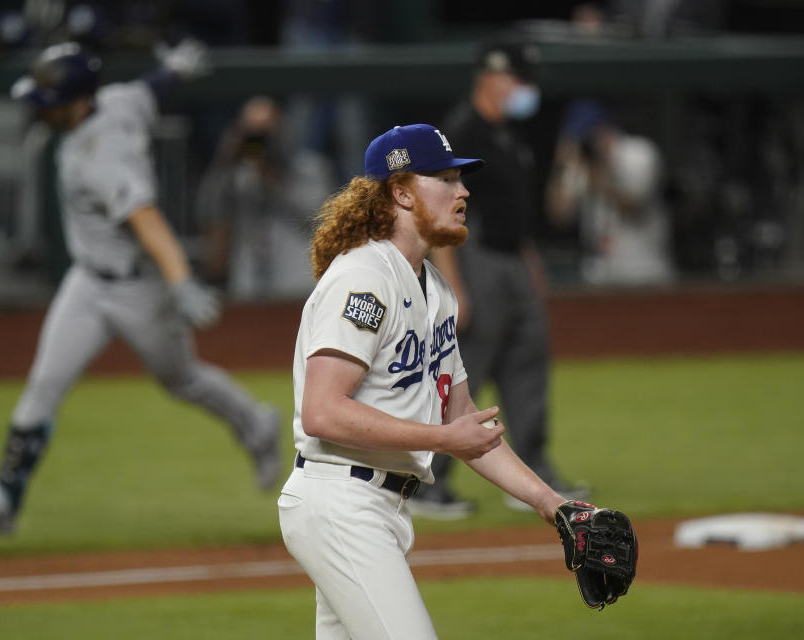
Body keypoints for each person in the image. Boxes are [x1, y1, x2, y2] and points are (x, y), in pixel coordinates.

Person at [0, 41, 281, 535]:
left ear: (78, 101)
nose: (41, 109)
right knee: (44, 386)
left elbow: (146, 220)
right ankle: (3, 500)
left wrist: (182, 283)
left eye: (49, 100)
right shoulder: (118, 99)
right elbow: (148, 89)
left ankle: (256, 424)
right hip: (86, 282)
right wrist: (175, 70)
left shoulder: (104, 155)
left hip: (140, 289)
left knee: (181, 378)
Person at [278, 123, 568, 638]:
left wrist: (553, 505)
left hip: (375, 506)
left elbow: (465, 423)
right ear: (402, 192)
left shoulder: (434, 288)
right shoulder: (365, 276)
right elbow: (322, 411)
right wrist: (441, 440)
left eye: (460, 179)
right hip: (341, 504)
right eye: (445, 178)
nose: (463, 192)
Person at [408, 42, 589, 518]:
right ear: (493, 78)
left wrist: (528, 255)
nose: (525, 90)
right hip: (475, 259)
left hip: (511, 258)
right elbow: (439, 214)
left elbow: (513, 206)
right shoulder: (461, 132)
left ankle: (530, 477)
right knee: (462, 370)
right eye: (518, 79)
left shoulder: (508, 133)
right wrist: (454, 288)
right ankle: (429, 482)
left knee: (529, 358)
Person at [195, 95, 334, 301]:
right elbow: (207, 213)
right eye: (253, 133)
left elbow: (320, 221)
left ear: (281, 129)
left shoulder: (310, 169)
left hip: (299, 283)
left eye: (266, 132)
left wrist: (273, 180)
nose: (261, 141)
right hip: (249, 283)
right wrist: (223, 162)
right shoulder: (236, 175)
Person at [545, 99, 675, 286]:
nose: (587, 144)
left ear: (604, 130)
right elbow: (558, 215)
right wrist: (561, 167)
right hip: (600, 272)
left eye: (589, 137)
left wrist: (597, 175)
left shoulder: (639, 153)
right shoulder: (582, 163)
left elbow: (633, 206)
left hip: (644, 270)